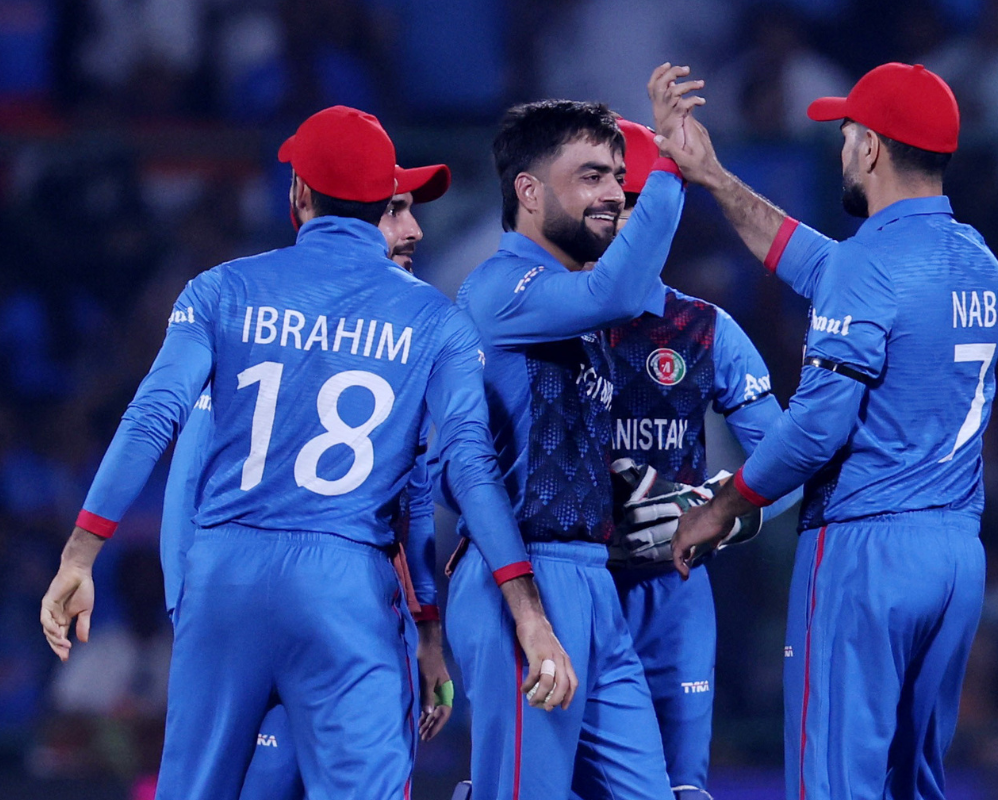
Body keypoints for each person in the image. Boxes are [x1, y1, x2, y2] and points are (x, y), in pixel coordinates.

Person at [40, 105, 574, 800]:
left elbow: (151, 420)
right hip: (344, 584)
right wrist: (525, 614)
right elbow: (466, 468)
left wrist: (81, 554)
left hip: (225, 575)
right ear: (381, 203)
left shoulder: (220, 290)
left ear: (298, 194)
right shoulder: (433, 319)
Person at [666, 64, 998, 800]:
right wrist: (715, 177)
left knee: (835, 787)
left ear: (873, 149)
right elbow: (816, 261)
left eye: (847, 132)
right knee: (914, 785)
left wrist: (723, 508)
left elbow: (817, 429)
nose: (841, 146)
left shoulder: (868, 268)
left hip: (866, 556)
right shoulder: (978, 261)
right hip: (954, 556)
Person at [157, 159, 457, 800]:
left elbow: (416, 499)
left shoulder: (403, 337)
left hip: (366, 624)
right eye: (392, 211)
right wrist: (200, 623)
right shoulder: (263, 329)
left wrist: (426, 634)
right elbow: (186, 489)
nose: (411, 231)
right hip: (279, 619)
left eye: (410, 212)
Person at [442, 66, 701, 800]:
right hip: (522, 576)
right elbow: (615, 289)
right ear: (528, 191)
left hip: (593, 584)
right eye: (590, 176)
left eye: (620, 176)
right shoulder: (499, 289)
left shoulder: (573, 310)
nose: (615, 195)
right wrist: (674, 164)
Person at [604, 118, 799, 800]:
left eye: (640, 203)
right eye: (613, 204)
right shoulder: (538, 322)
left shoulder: (704, 329)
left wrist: (712, 511)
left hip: (674, 593)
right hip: (574, 585)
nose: (628, 223)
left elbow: (787, 465)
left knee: (681, 790)